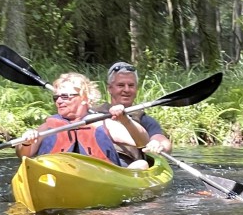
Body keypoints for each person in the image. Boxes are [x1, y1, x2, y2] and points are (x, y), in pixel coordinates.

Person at [13, 71, 149, 166]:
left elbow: (142, 141)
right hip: (53, 173)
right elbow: (23, 155)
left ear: (84, 98)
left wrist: (125, 120)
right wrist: (26, 143)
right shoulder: (49, 126)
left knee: (141, 164)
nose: (59, 101)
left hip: (99, 176)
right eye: (57, 97)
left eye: (65, 97)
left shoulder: (103, 123)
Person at [97, 61, 174, 157]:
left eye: (131, 85)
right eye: (121, 85)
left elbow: (163, 141)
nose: (126, 90)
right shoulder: (94, 113)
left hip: (132, 167)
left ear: (136, 89)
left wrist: (158, 144)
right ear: (110, 88)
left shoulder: (144, 120)